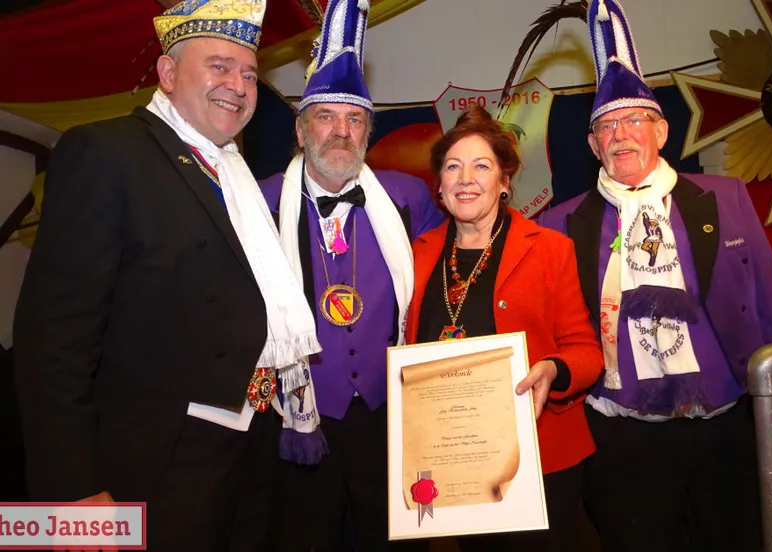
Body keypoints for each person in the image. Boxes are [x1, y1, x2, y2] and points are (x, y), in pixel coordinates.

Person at [13, 1, 322, 549]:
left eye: (250, 73)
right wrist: (74, 491)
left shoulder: (235, 173)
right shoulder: (106, 151)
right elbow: (53, 339)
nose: (239, 84)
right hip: (151, 465)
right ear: (168, 72)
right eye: (220, 66)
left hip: (246, 452)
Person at [536, 1, 772, 550]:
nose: (621, 135)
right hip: (622, 437)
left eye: (634, 120)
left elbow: (768, 299)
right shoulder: (562, 222)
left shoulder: (725, 197)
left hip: (726, 425)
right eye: (606, 126)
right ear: (593, 145)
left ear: (660, 130)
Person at [257, 0, 444, 549]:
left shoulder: (409, 199)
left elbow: (444, 289)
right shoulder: (260, 204)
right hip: (298, 412)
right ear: (300, 128)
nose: (340, 131)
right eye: (326, 116)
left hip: (388, 415)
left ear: (367, 131)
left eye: (354, 119)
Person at [404, 104, 604, 552]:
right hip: (455, 460)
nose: (465, 178)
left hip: (540, 457)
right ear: (439, 185)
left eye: (481, 166)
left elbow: (586, 352)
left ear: (504, 181)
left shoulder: (551, 249)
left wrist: (553, 370)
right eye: (452, 167)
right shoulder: (416, 255)